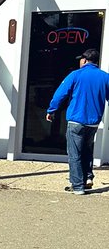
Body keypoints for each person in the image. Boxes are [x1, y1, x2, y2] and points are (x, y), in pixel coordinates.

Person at [46, 47, 109, 194]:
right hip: (93, 123)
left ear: (85, 60)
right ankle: (87, 178)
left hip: (76, 120)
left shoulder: (75, 75)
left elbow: (60, 94)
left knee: (75, 154)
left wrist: (51, 110)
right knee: (87, 150)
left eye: (81, 60)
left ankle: (77, 186)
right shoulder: (105, 77)